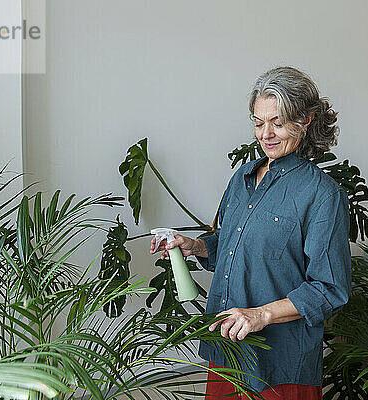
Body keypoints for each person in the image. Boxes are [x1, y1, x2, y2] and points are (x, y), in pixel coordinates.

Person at [150, 66, 351, 399]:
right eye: (259, 123)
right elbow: (231, 245)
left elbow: (330, 289)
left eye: (278, 122)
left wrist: (262, 314)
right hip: (227, 347)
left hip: (281, 363)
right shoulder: (243, 178)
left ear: (306, 120)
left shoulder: (321, 194)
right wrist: (196, 246)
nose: (266, 134)